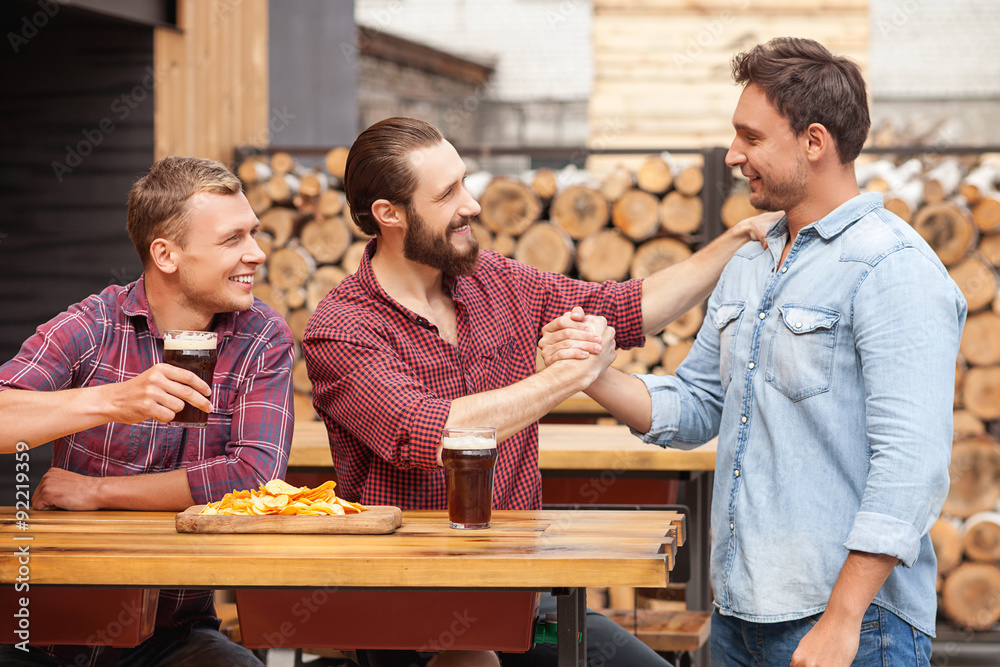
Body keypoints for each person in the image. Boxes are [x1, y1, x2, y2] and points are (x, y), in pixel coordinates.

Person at [540, 38, 967, 667]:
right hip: (740, 617)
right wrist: (590, 373)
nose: (735, 155)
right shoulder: (750, 259)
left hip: (851, 626)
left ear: (813, 142)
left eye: (752, 138)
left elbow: (913, 468)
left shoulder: (892, 269)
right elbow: (697, 404)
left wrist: (841, 621)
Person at [302, 116, 775, 667]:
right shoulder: (341, 327)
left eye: (465, 182)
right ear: (389, 215)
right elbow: (424, 433)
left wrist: (735, 241)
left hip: (522, 598)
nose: (472, 204)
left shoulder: (492, 280)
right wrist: (565, 377)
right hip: (408, 610)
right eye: (447, 193)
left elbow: (624, 308)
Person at [0, 156, 295, 666]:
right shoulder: (94, 324)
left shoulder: (261, 337)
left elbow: (254, 479)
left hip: (173, 635)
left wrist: (98, 492)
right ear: (166, 254)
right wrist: (110, 400)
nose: (258, 253)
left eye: (255, 233)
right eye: (233, 240)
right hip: (46, 629)